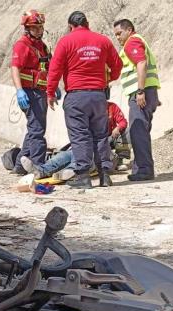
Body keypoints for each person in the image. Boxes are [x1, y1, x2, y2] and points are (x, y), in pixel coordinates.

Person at [46, 11, 122, 189]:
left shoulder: (66, 41)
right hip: (99, 96)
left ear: (70, 26)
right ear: (87, 23)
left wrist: (50, 92)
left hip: (76, 97)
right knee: (101, 135)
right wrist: (108, 80)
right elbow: (117, 65)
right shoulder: (102, 40)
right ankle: (105, 176)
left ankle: (83, 176)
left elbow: (54, 70)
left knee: (80, 136)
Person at [9, 10, 60, 175]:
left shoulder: (42, 46)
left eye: (40, 27)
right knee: (37, 130)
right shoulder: (22, 45)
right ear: (27, 28)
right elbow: (15, 67)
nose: (39, 30)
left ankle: (19, 164)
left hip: (40, 92)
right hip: (29, 93)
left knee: (34, 128)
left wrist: (53, 87)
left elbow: (47, 67)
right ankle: (39, 165)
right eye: (35, 28)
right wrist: (19, 91)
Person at [20, 101, 128, 179]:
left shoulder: (112, 107)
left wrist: (117, 128)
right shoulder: (89, 110)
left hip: (107, 150)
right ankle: (40, 170)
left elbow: (123, 122)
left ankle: (71, 170)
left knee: (121, 133)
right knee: (68, 154)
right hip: (91, 146)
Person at [113, 19, 161, 181]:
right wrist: (152, 95)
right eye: (116, 35)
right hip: (147, 92)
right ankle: (140, 168)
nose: (118, 37)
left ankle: (144, 170)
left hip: (140, 94)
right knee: (141, 131)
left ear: (129, 29)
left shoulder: (132, 42)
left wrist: (141, 91)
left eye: (120, 33)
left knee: (138, 131)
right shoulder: (139, 41)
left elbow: (141, 63)